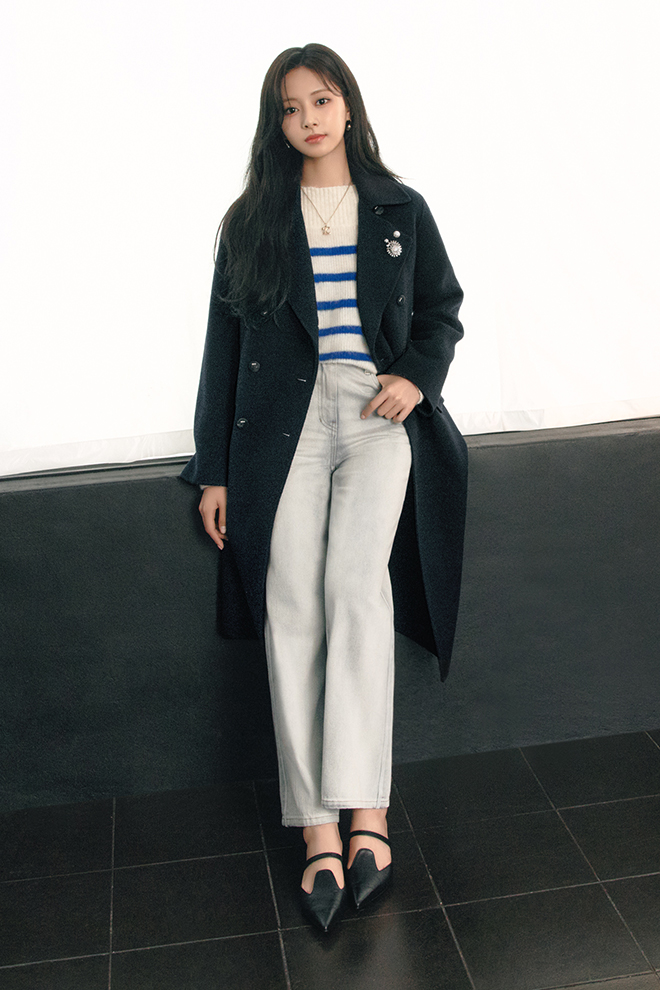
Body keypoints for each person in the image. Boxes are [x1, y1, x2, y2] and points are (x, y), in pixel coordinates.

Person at [181, 43, 467, 932]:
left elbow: (441, 309)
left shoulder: (399, 208)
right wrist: (214, 468)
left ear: (348, 106)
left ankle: (366, 813)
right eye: (290, 106)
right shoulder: (252, 221)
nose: (307, 118)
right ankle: (316, 828)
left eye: (321, 99)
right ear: (276, 124)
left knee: (355, 587)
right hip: (283, 425)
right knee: (293, 602)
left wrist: (416, 376)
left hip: (375, 414)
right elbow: (224, 345)